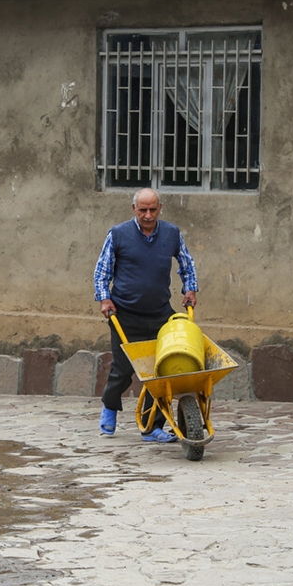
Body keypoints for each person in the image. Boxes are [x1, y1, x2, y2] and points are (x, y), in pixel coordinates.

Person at [93, 188, 198, 442]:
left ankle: (152, 426)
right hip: (125, 315)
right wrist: (104, 298)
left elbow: (187, 264)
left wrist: (191, 288)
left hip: (160, 314)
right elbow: (101, 272)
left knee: (160, 372)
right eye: (143, 210)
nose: (148, 215)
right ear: (134, 210)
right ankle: (109, 406)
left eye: (153, 209)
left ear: (160, 208)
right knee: (122, 369)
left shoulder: (171, 233)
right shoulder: (118, 234)